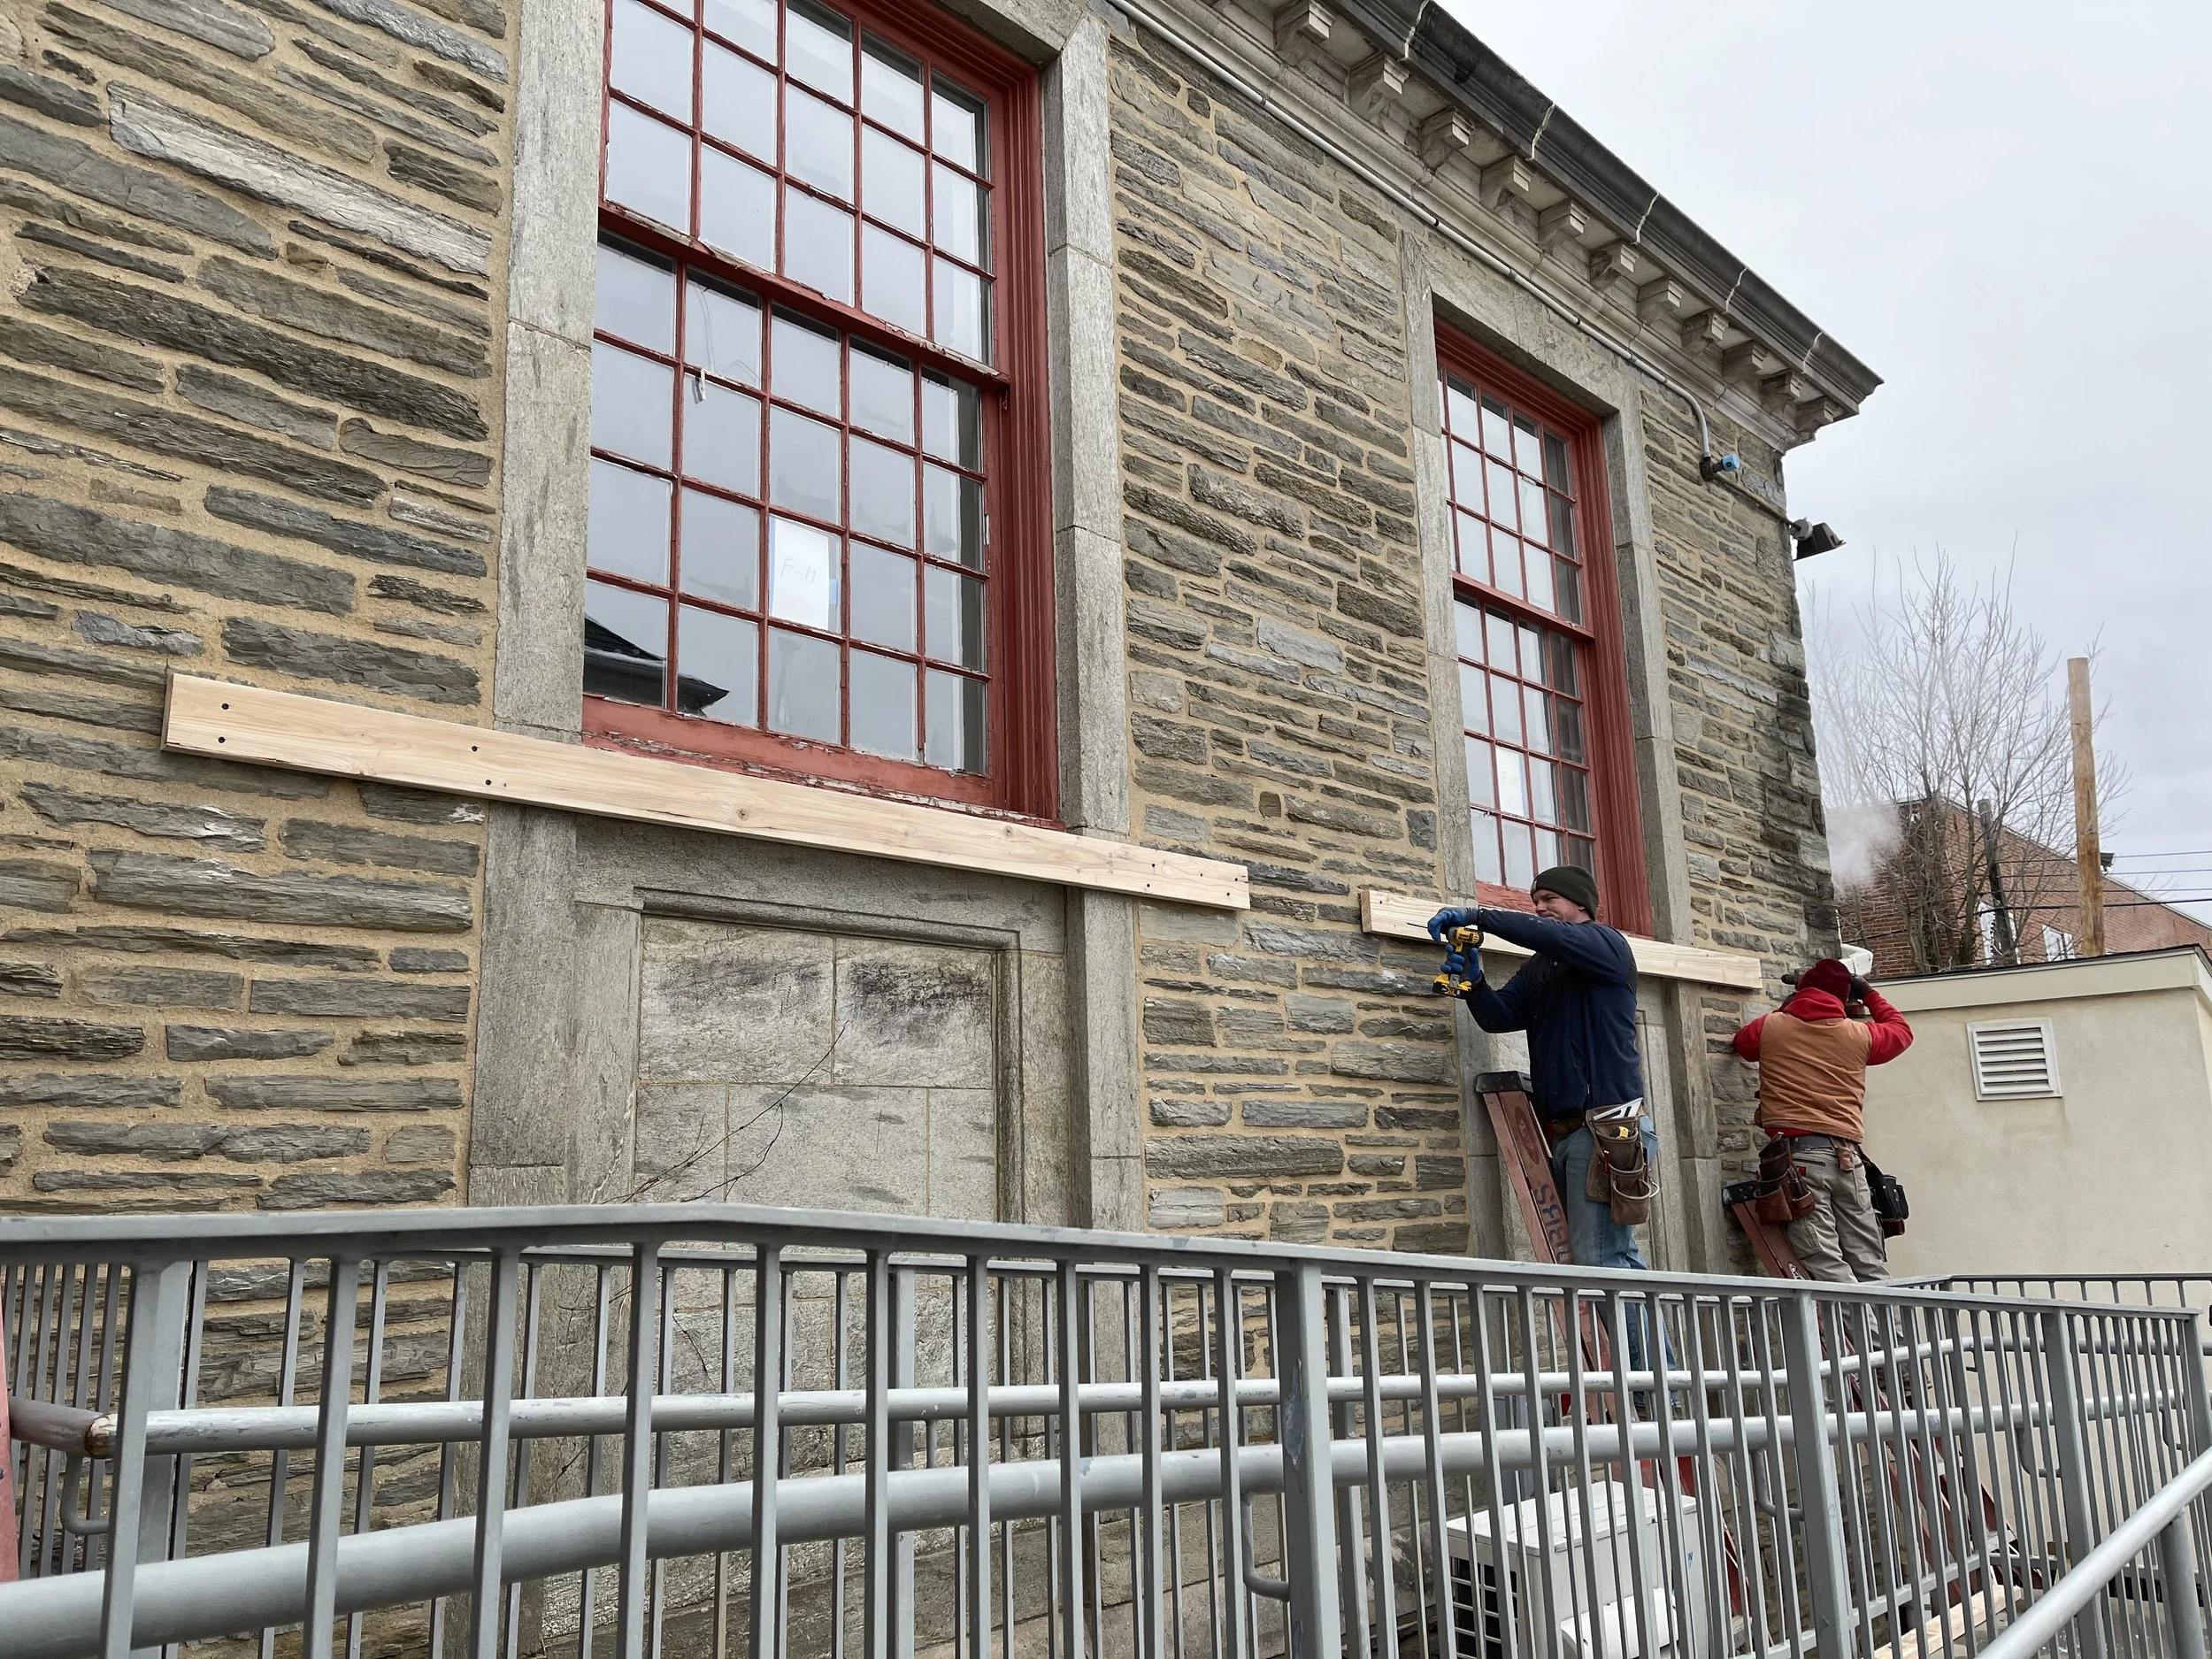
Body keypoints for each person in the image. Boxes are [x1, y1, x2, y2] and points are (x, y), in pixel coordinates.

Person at [1429, 864, 1655, 1271]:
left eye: (1550, 899)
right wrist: (1475, 983)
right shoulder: (1538, 968)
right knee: (1599, 1262)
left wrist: (1479, 916)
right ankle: (1640, 1339)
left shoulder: (1607, 945)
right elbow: (1499, 1017)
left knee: (1605, 1261)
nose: (1540, 909)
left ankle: (1641, 1339)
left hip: (1606, 1129)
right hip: (1568, 1134)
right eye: (1535, 903)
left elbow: (1552, 936)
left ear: (1581, 904)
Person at [1731, 958, 1914, 1282]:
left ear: (1803, 990)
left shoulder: (1773, 1026)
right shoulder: (1859, 1035)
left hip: (1800, 1161)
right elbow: (1901, 1032)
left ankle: (1865, 1335)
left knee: (1826, 1265)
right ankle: (1893, 1334)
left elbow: (1743, 1043)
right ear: (1844, 998)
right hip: (1849, 1160)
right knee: (1869, 1263)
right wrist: (1869, 993)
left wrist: (1791, 1002)